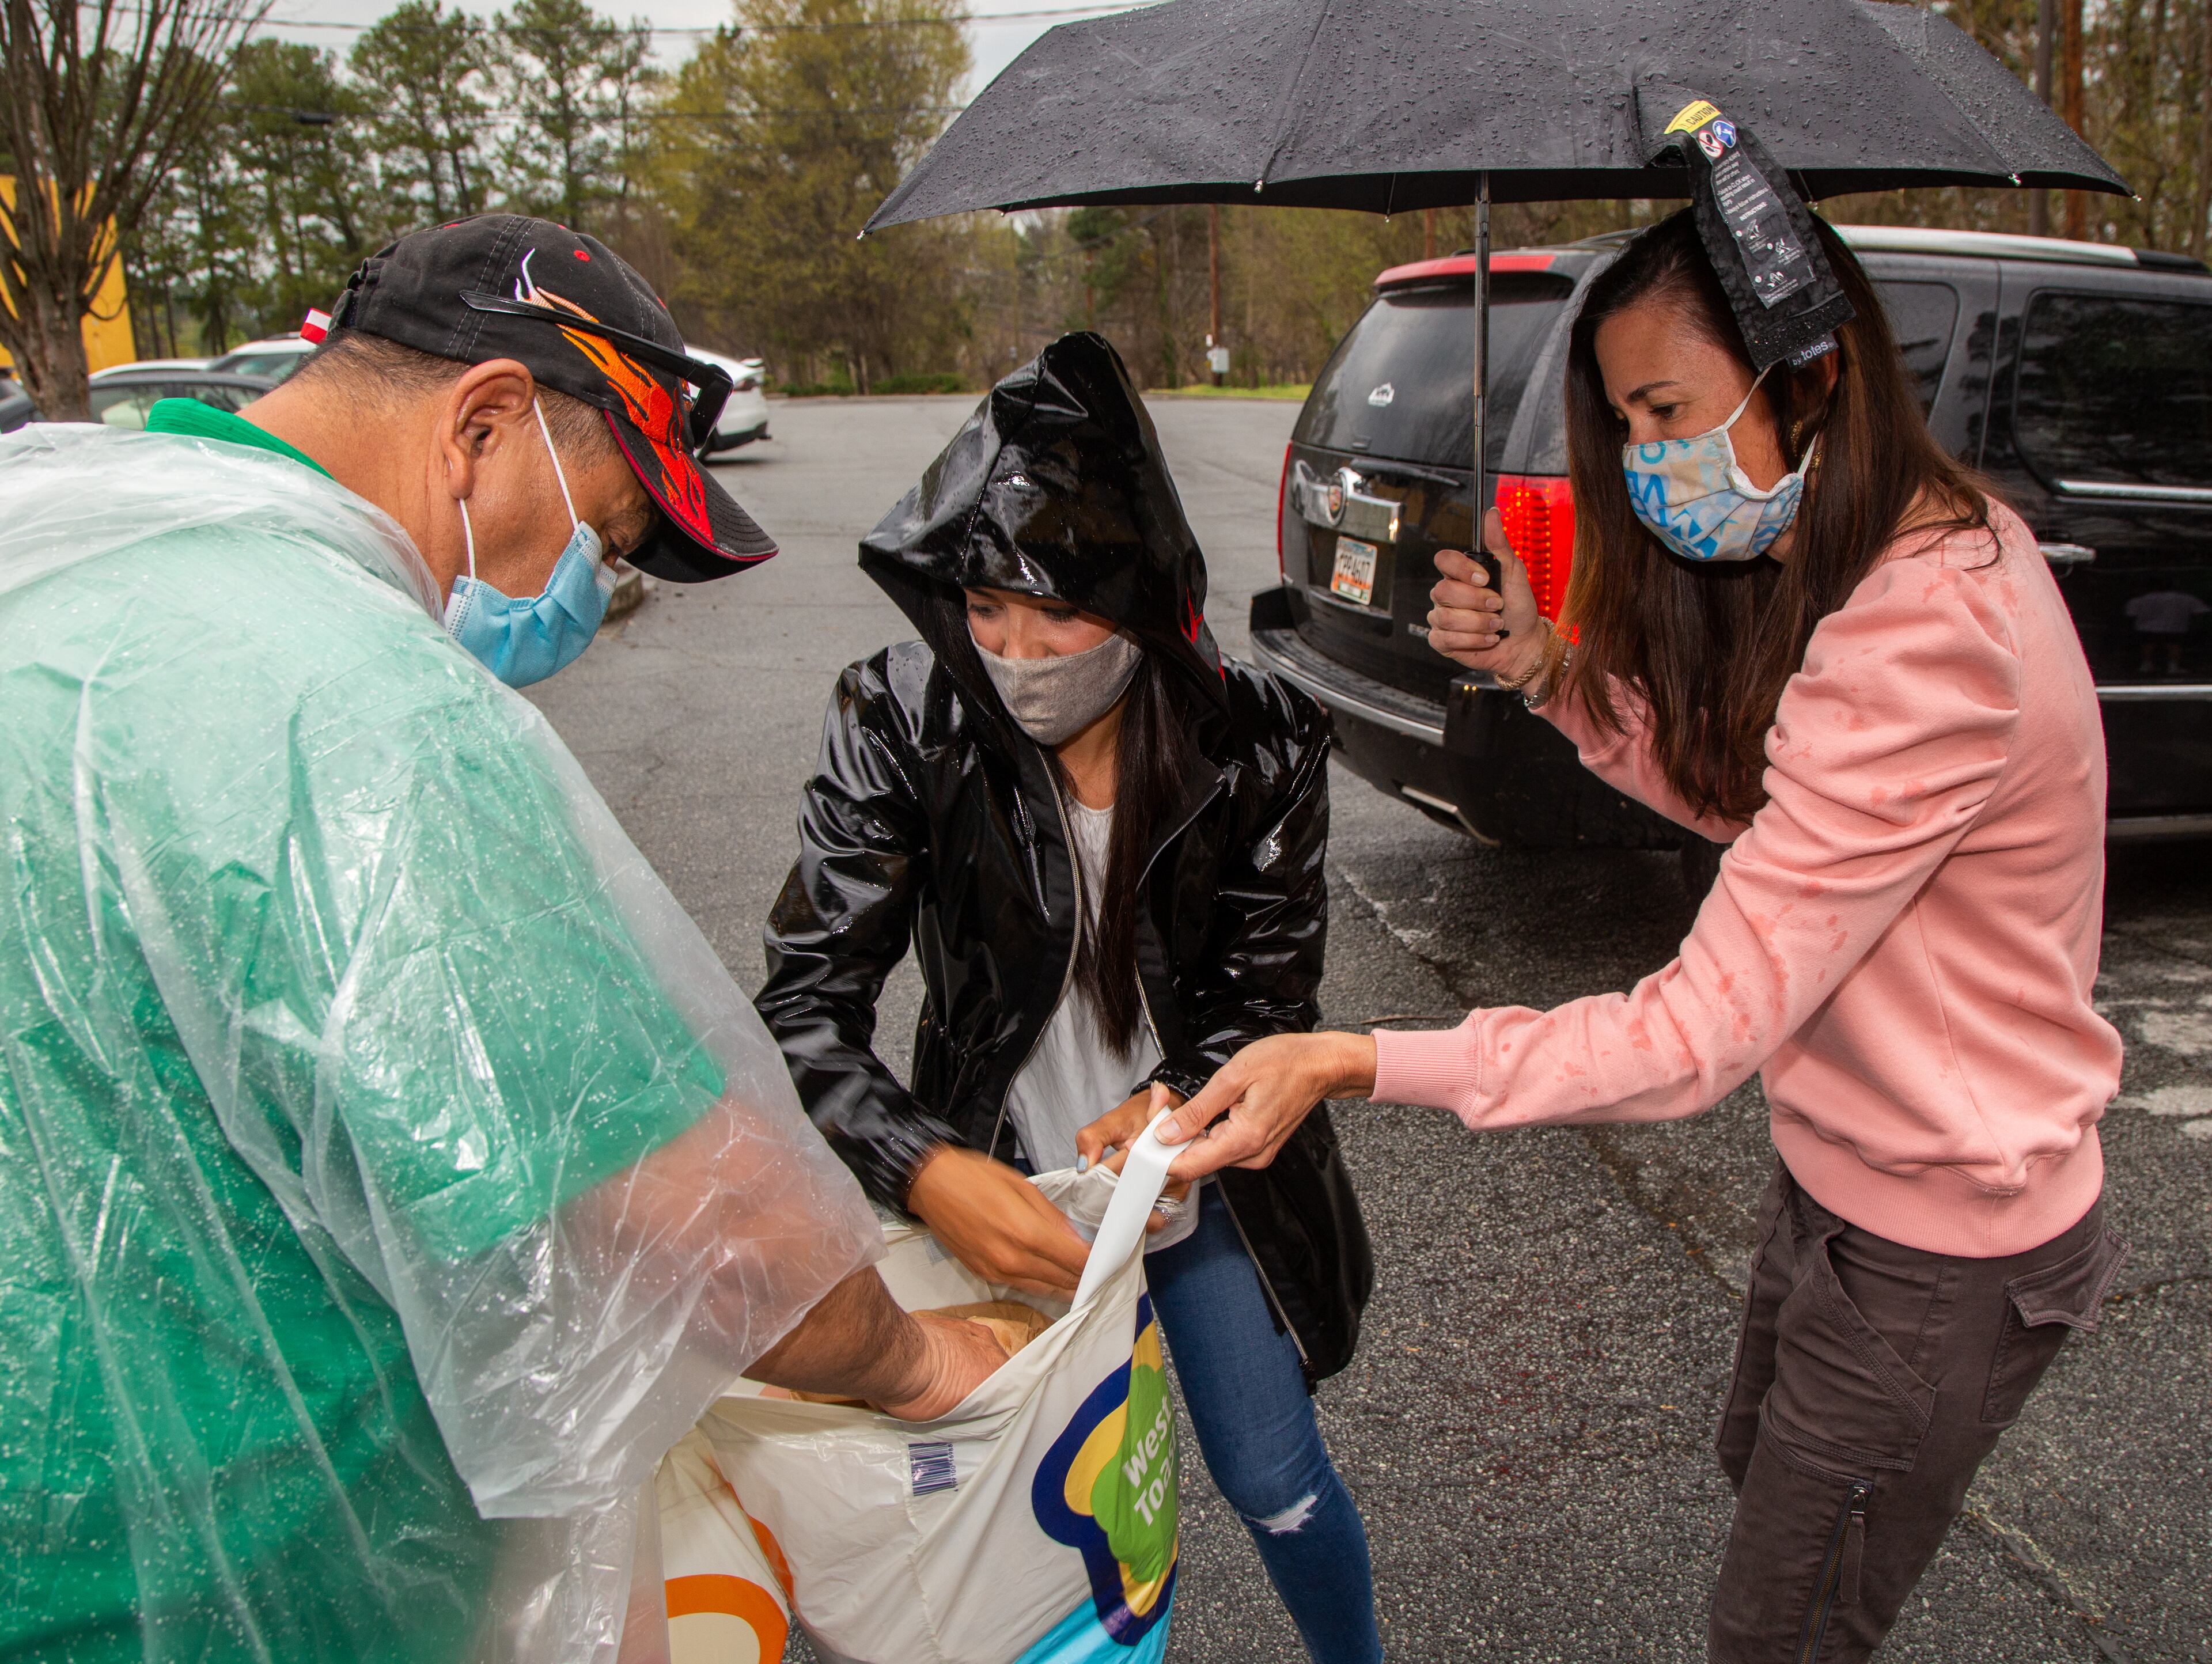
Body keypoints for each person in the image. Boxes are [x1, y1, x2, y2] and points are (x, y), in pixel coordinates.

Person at [0, 215, 1000, 1664]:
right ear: (480, 422)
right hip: (234, 1568)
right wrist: (918, 1357)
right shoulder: (359, 711)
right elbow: (702, 1227)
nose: (589, 599)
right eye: (598, 536)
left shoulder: (59, 559)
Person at [1154, 210, 2130, 1663]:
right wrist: (1550, 668)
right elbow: (1752, 802)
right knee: (1770, 1508)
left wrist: (1349, 1056)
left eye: (1664, 410)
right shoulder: (1907, 552)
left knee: (1777, 1626)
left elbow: (1688, 1038)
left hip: (1943, 1242)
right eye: (1620, 423)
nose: (1641, 455)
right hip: (1846, 1192)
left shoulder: (1924, 635)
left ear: (1806, 374)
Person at [755, 332, 1382, 1663]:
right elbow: (806, 999)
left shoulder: (1253, 742)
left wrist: (1172, 1097)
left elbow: (1264, 988)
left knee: (1272, 1482)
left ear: (1145, 596)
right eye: (983, 610)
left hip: (1193, 1178)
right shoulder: (900, 716)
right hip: (1000, 1177)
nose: (1017, 650)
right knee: (1001, 1505)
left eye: (1057, 613)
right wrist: (918, 1162)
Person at [2124, 586, 2207, 676]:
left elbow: (2130, 614)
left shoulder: (2139, 600)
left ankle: (2147, 665)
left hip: (2150, 629)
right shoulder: (2186, 598)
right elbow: (2201, 611)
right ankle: (2172, 667)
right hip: (2173, 628)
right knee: (2172, 645)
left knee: (2150, 644)